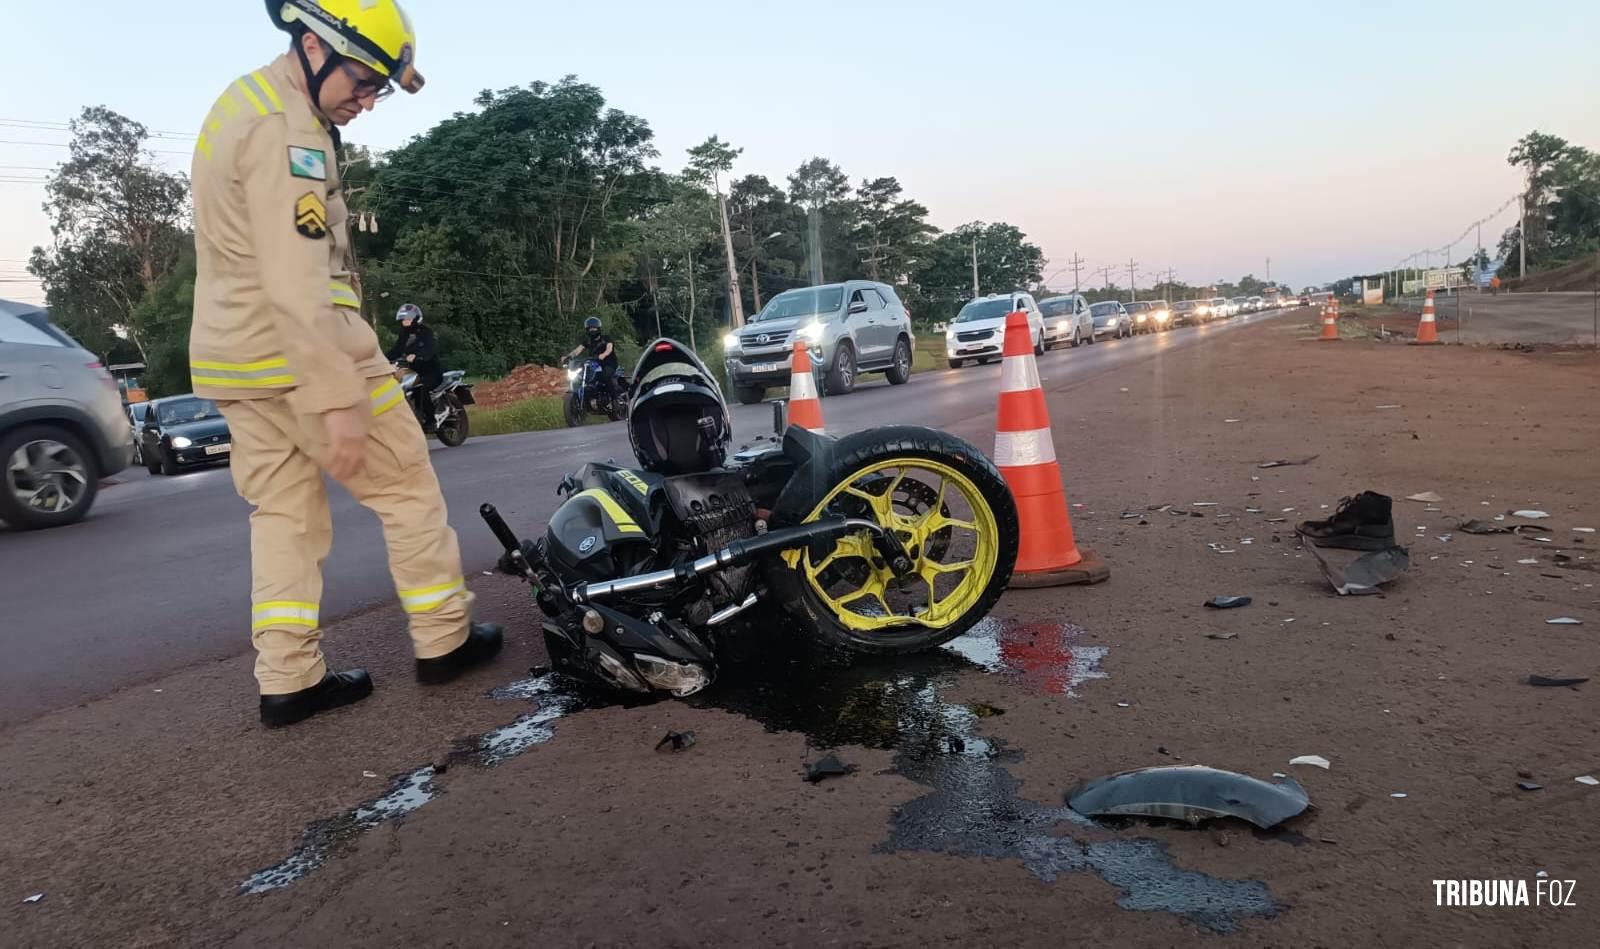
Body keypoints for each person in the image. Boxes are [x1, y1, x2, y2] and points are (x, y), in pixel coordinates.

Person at [189, 0, 501, 728]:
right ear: (311, 44)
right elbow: (298, 279)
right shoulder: (289, 130)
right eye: (360, 81)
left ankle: (290, 678)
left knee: (284, 518)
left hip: (237, 360)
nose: (365, 100)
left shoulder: (243, 101)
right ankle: (443, 639)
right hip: (307, 354)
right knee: (408, 488)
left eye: (376, 89)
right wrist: (335, 395)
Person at [385, 303, 443, 423]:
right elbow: (397, 350)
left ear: (416, 318)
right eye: (403, 319)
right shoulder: (404, 334)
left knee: (421, 389)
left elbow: (430, 349)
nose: (405, 321)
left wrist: (418, 355)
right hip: (415, 371)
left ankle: (431, 420)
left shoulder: (426, 332)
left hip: (432, 370)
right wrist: (382, 360)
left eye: (408, 319)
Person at [566, 316, 620, 408]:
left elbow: (609, 348)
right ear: (587, 330)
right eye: (590, 328)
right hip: (595, 364)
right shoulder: (587, 341)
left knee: (605, 376)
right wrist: (568, 356)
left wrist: (604, 354)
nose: (592, 330)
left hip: (609, 363)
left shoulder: (606, 338)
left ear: (598, 328)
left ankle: (615, 400)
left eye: (594, 328)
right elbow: (577, 350)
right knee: (584, 377)